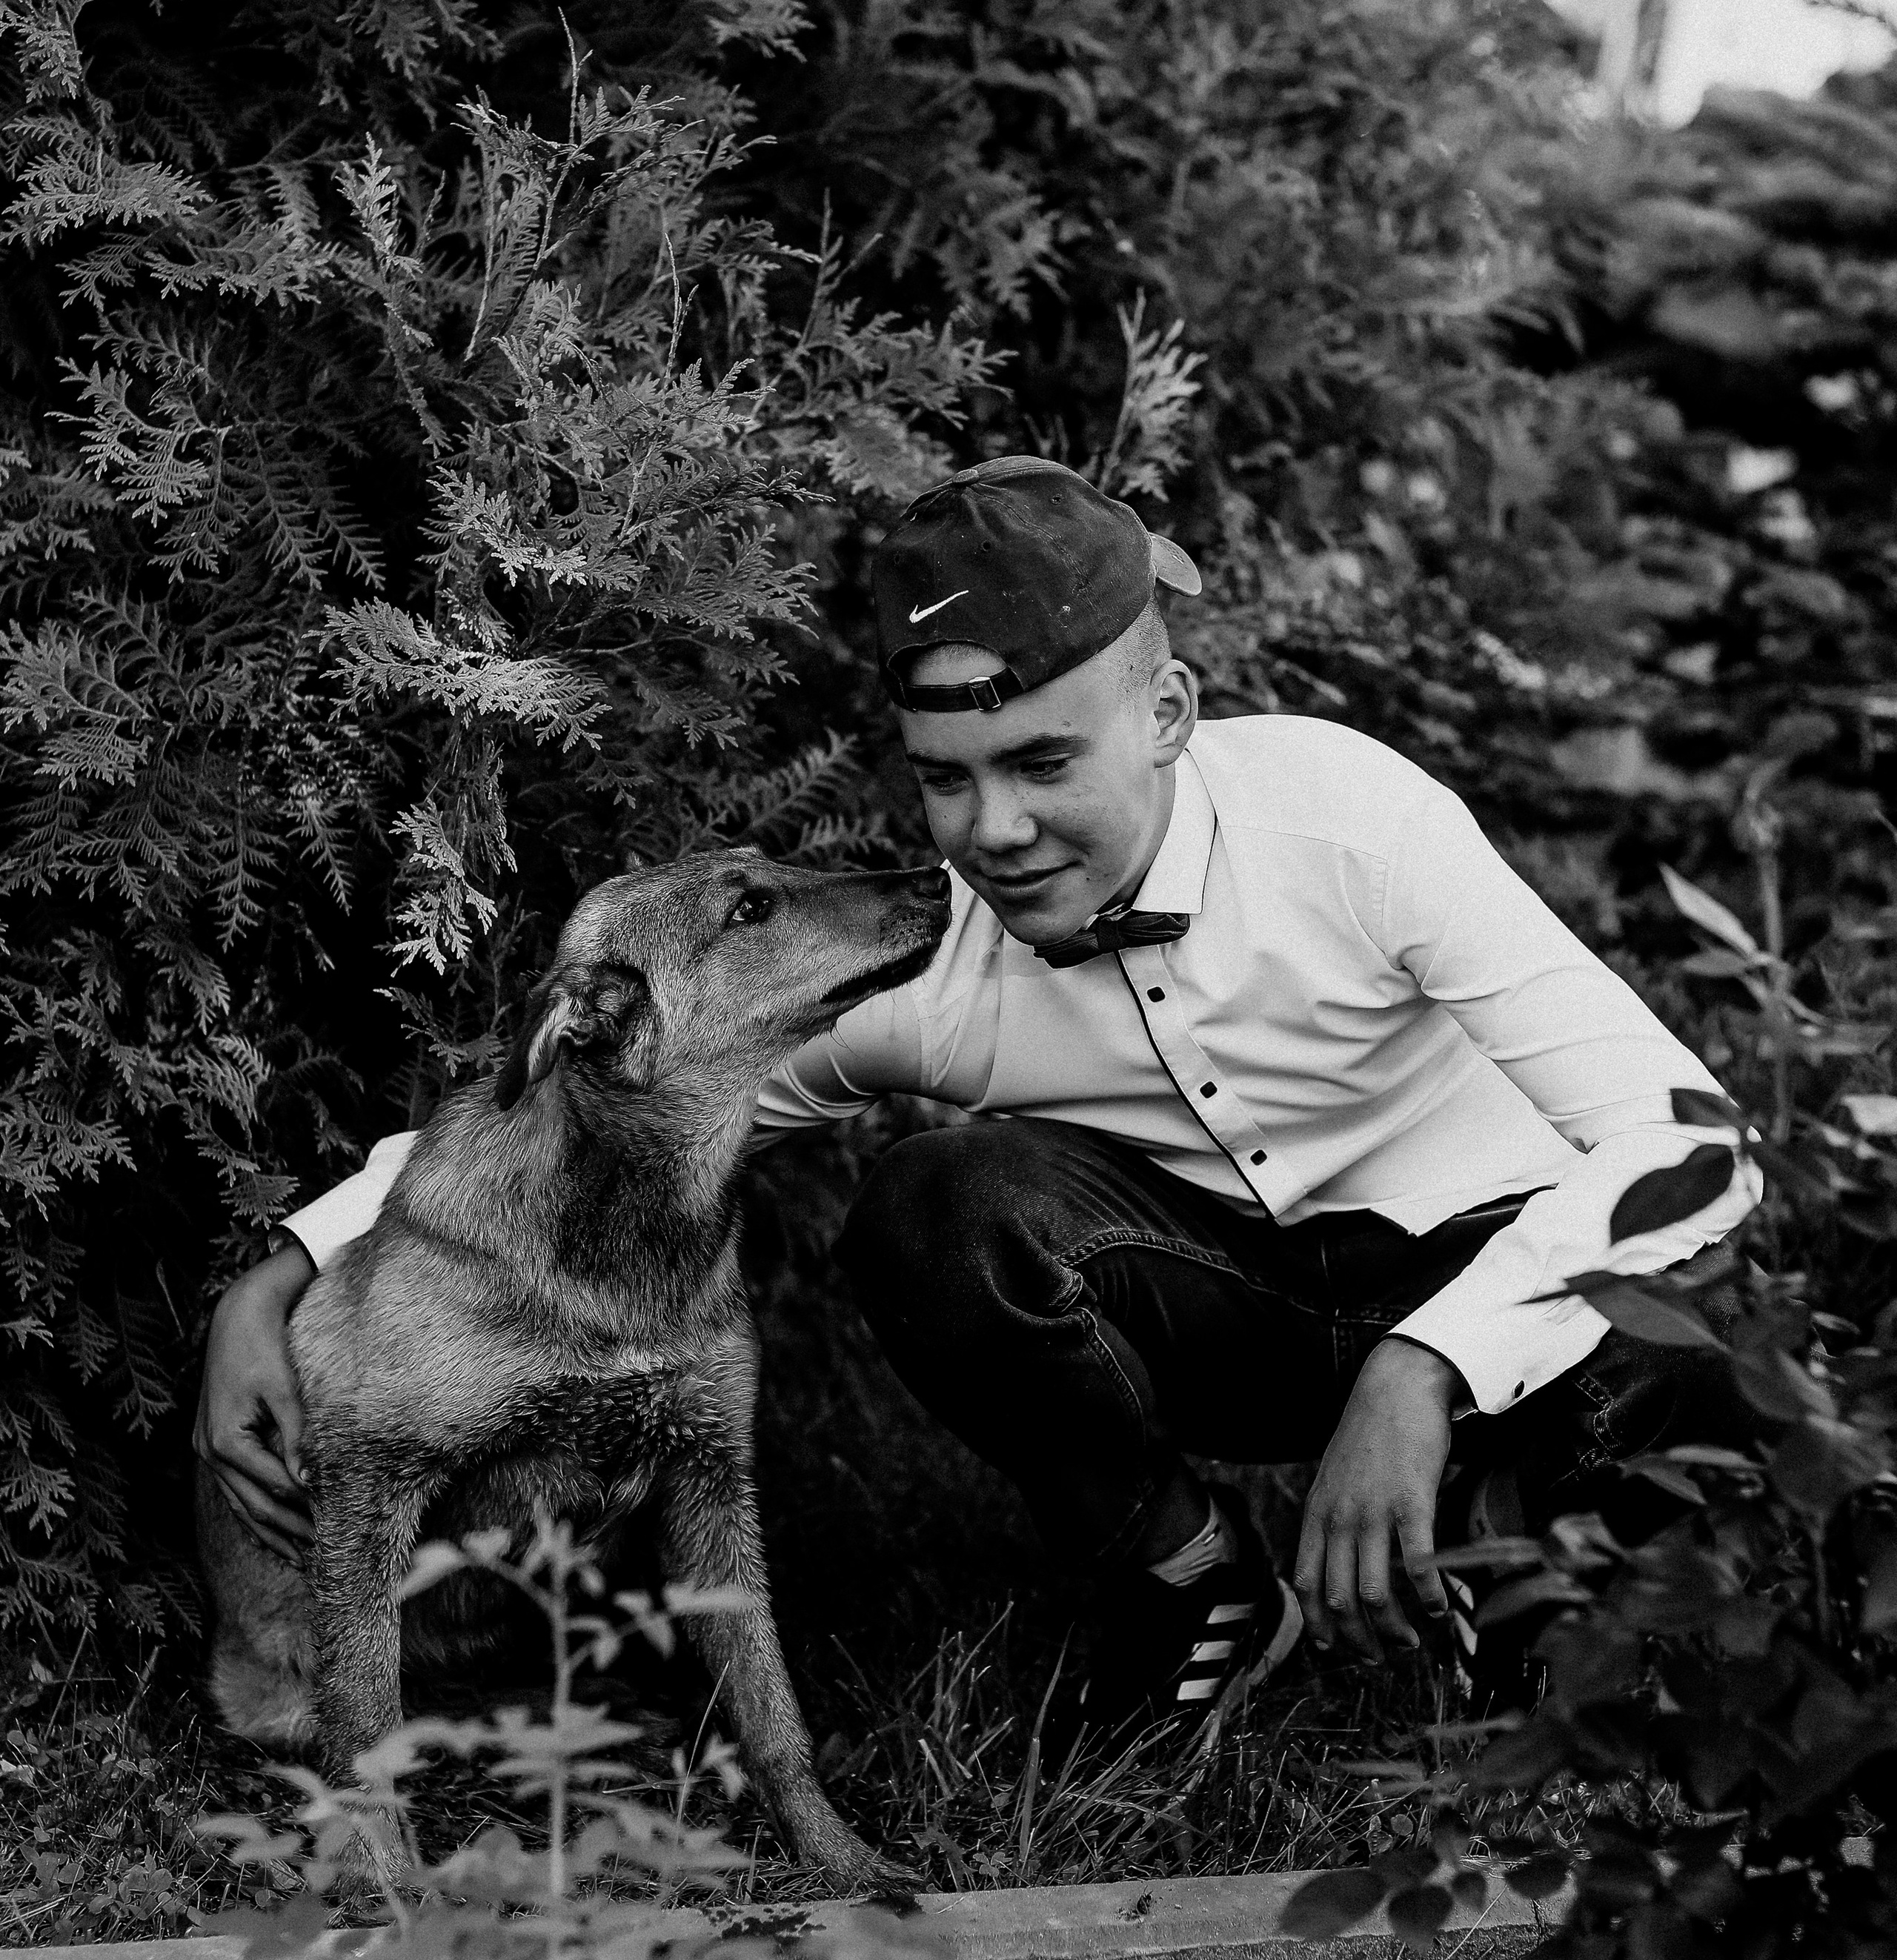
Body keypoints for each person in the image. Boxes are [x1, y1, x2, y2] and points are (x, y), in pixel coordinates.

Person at [197, 459, 1758, 1736]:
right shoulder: (927, 968)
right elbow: (570, 1117)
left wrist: (1424, 1369)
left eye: (1040, 761)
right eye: (947, 777)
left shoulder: (1350, 823)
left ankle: (1513, 1558)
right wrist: (279, 1272)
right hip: (1221, 1306)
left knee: (1676, 1348)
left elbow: (1687, 1144)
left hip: (1465, 1263)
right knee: (938, 1209)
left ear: (1165, 716)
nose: (992, 828)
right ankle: (1198, 1583)